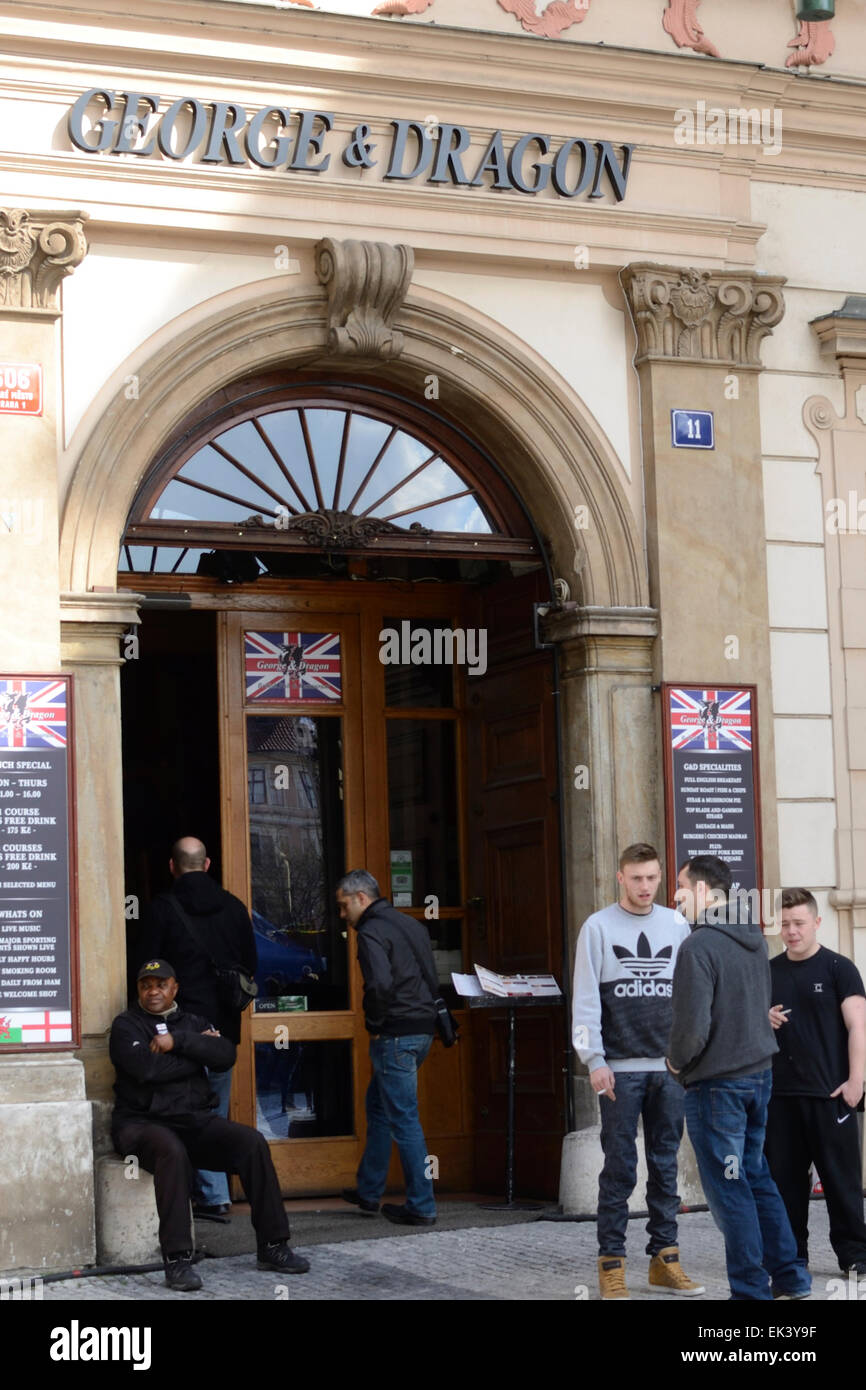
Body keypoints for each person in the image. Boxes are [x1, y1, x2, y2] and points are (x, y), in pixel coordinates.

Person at [110, 959, 309, 1291]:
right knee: (170, 1151)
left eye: (161, 984)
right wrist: (196, 1051)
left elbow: (224, 1055)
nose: (153, 991)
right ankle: (177, 1261)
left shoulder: (192, 1021)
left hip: (193, 1121)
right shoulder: (126, 1026)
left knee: (252, 1142)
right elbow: (146, 1070)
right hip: (143, 1124)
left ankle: (273, 1246)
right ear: (138, 990)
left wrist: (178, 1042)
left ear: (175, 988)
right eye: (146, 985)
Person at [667, 855, 810, 1301]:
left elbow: (692, 1029)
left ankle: (751, 1291)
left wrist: (675, 1063)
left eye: (681, 887)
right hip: (756, 1078)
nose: (674, 896)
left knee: (731, 1189)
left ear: (706, 893)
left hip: (718, 1086)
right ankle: (791, 1278)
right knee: (756, 1176)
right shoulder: (754, 940)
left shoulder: (699, 946)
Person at [572, 841, 703, 1299]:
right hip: (619, 1071)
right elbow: (586, 999)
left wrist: (690, 1058)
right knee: (620, 1169)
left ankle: (665, 1260)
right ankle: (612, 1264)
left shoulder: (677, 924)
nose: (645, 886)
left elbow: (690, 997)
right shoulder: (598, 927)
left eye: (652, 878)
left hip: (669, 1070)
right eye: (636, 878)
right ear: (620, 878)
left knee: (666, 1168)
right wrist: (594, 1061)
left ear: (661, 877)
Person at [137, 836, 256, 1221]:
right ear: (207, 866)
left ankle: (206, 1194)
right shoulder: (236, 908)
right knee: (213, 1111)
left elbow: (148, 973)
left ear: (173, 867)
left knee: (183, 1112)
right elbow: (251, 965)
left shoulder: (162, 910)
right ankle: (215, 1193)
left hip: (178, 1031)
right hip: (222, 1032)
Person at [765, 887, 866, 1276]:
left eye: (799, 923)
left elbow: (858, 1025)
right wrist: (763, 1018)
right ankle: (792, 1259)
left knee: (842, 1181)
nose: (791, 931)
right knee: (785, 1185)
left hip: (832, 1094)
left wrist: (857, 1082)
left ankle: (855, 1254)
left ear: (816, 923)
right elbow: (749, 1027)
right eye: (786, 923)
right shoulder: (769, 971)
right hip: (781, 1097)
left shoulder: (839, 968)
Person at [336, 869, 437, 1227]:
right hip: (422, 1029)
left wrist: (376, 1026)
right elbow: (428, 975)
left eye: (344, 905)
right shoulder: (410, 925)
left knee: (403, 1117)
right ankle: (369, 1190)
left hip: (395, 1033)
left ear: (361, 898)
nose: (343, 914)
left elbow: (378, 984)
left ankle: (422, 1205)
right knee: (379, 1107)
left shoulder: (371, 931)